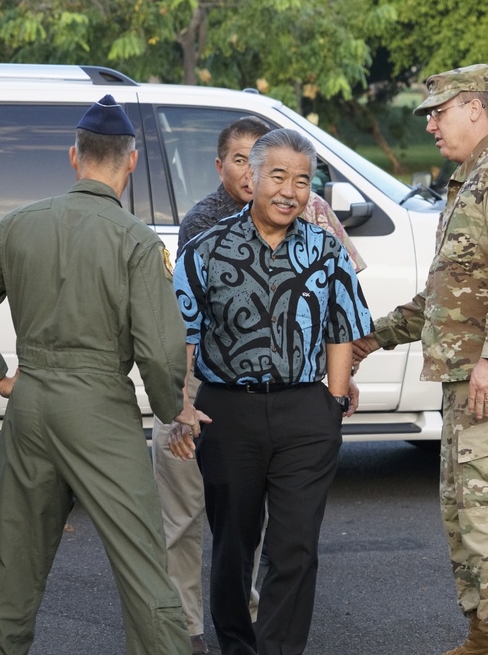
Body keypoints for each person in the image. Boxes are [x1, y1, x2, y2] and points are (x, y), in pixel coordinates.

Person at [0, 95, 204, 655]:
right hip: (100, 407)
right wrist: (171, 408)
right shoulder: (136, 240)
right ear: (131, 162)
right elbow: (159, 350)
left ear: (73, 156)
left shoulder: (17, 225)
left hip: (31, 401)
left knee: (10, 563)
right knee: (141, 565)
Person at [352, 64, 488, 655]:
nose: (432, 126)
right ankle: (485, 637)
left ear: (473, 107)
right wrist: (376, 336)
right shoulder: (469, 180)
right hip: (467, 381)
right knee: (463, 516)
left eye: (438, 113)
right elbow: (445, 296)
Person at [150, 116, 365, 654]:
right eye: (278, 177)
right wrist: (180, 404)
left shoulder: (325, 248)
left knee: (295, 548)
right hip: (228, 413)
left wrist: (334, 398)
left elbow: (343, 326)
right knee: (233, 548)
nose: (290, 192)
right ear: (253, 176)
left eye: (301, 180)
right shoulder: (205, 249)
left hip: (306, 413)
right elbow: (183, 335)